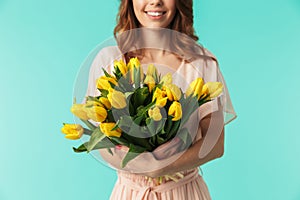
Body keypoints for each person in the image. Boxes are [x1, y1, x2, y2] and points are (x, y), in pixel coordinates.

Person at [84, 0, 237, 199]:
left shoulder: (201, 63)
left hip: (185, 192)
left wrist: (161, 167)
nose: (155, 1)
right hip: (130, 192)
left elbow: (215, 143)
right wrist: (136, 163)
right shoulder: (110, 60)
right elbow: (101, 136)